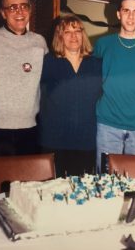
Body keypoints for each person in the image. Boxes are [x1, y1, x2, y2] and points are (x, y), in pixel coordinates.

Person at [0, 0, 48, 157]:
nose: (19, 12)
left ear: (30, 10)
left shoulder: (39, 42)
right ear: (3, 13)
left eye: (24, 6)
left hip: (31, 129)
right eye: (12, 7)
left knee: (28, 184)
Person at [38, 15, 102, 177]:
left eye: (77, 31)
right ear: (60, 36)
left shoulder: (96, 63)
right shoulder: (47, 62)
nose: (73, 36)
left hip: (86, 140)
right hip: (54, 140)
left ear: (83, 34)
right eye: (67, 32)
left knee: (82, 192)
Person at [93, 0, 135, 172]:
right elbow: (91, 82)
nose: (131, 16)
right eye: (126, 11)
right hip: (108, 124)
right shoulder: (103, 44)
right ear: (118, 14)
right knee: (105, 178)